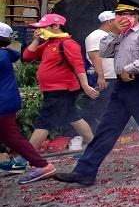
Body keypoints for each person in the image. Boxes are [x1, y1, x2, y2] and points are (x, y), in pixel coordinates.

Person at [55, 0, 139, 185]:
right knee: (107, 128)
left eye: (127, 15)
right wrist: (113, 33)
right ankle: (85, 172)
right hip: (122, 86)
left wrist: (130, 68)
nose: (122, 18)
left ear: (137, 16)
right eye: (120, 14)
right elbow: (104, 52)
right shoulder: (121, 34)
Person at [22, 13, 98, 153]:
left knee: (44, 122)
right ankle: (94, 145)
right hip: (54, 89)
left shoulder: (68, 44)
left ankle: (25, 157)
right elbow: (27, 56)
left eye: (43, 27)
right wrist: (36, 40)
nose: (39, 30)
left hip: (61, 89)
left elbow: (78, 66)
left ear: (56, 26)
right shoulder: (49, 43)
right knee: (73, 116)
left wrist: (86, 85)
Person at [0, 22, 57, 183]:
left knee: (13, 137)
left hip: (2, 103)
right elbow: (17, 54)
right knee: (11, 137)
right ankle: (40, 165)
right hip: (8, 101)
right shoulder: (6, 54)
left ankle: (43, 165)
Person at [83, 11, 118, 134]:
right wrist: (101, 77)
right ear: (109, 22)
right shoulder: (96, 36)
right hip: (104, 79)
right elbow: (94, 56)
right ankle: (98, 134)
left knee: (111, 108)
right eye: (116, 20)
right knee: (102, 108)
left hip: (113, 78)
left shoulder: (110, 35)